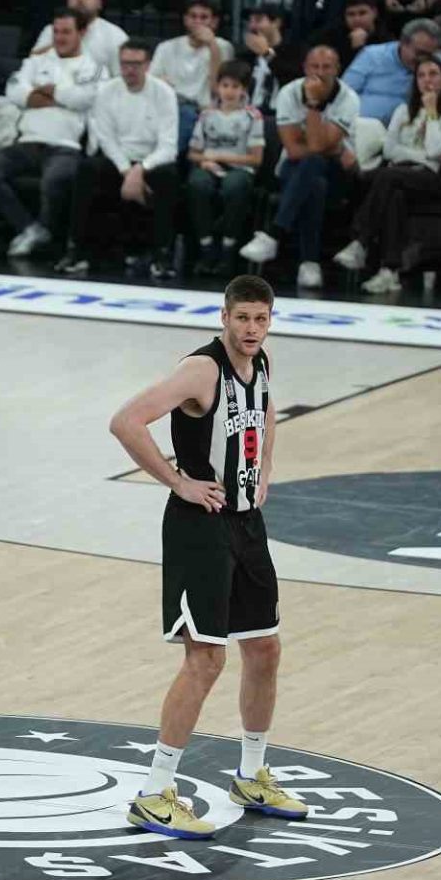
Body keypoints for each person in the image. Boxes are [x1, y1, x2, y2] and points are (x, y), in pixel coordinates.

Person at [108, 274, 307, 842]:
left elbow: (266, 412)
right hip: (200, 527)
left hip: (247, 524)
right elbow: (125, 421)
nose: (251, 329)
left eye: (261, 319)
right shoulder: (201, 370)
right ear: (224, 317)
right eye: (242, 318)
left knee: (264, 648)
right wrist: (178, 481)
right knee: (206, 660)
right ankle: (154, 793)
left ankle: (251, 775)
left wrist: (265, 469)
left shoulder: (261, 363)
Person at [0, 9, 101, 259]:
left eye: (66, 32)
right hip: (27, 142)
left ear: (81, 33)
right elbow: (14, 91)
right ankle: (30, 228)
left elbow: (86, 98)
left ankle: (48, 236)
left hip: (66, 146)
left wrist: (49, 91)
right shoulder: (35, 62)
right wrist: (61, 97)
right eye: (56, 32)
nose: (60, 38)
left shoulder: (94, 67)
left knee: (54, 180)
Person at [334, 53, 441, 292]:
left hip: (431, 178)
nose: (427, 80)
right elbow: (390, 149)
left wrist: (431, 112)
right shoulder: (403, 110)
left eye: (433, 74)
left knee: (384, 177)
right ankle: (389, 271)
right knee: (394, 194)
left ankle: (360, 241)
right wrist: (422, 154)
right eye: (421, 76)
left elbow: (435, 150)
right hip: (399, 175)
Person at [240, 45, 361, 288]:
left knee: (316, 167)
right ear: (305, 68)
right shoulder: (289, 93)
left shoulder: (348, 98)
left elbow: (314, 146)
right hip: (294, 167)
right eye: (314, 66)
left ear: (337, 69)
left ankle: (274, 233)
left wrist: (313, 104)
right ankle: (309, 264)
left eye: (327, 67)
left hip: (337, 173)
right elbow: (295, 149)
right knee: (314, 180)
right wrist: (330, 146)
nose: (320, 72)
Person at [59, 39, 181, 277]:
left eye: (136, 64)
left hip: (152, 161)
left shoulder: (164, 93)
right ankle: (76, 250)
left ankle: (162, 255)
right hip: (118, 160)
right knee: (87, 169)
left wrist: (140, 170)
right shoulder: (107, 91)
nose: (129, 70)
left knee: (168, 176)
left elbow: (168, 146)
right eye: (125, 64)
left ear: (147, 65)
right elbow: (106, 139)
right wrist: (127, 171)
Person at [186, 60, 265, 275]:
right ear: (218, 87)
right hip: (209, 166)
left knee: (234, 186)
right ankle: (206, 246)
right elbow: (193, 153)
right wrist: (204, 161)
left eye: (235, 86)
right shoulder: (206, 115)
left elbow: (256, 158)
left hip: (240, 167)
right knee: (197, 183)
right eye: (225, 85)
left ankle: (228, 249)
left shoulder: (252, 116)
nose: (229, 92)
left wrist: (220, 156)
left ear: (244, 89)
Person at [152, 0, 235, 159]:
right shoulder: (166, 47)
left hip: (203, 110)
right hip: (170, 106)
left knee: (188, 115)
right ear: (185, 19)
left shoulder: (222, 47)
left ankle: (162, 159)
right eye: (193, 16)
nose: (198, 22)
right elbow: (152, 84)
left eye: (204, 17)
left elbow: (217, 89)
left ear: (214, 22)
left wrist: (212, 46)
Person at [342, 16, 441, 124]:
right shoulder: (372, 56)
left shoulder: (437, 67)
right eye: (420, 53)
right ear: (403, 43)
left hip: (407, 129)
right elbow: (343, 93)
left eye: (429, 55)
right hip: (360, 125)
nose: (424, 59)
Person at [30, 0, 128, 79]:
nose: (80, 0)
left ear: (100, 3)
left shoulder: (115, 36)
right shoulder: (51, 30)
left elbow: (121, 81)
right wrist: (60, 43)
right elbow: (32, 65)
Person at [241, 0, 302, 112]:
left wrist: (267, 54)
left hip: (279, 114)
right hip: (248, 114)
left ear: (277, 22)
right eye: (250, 21)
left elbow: (294, 81)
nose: (252, 26)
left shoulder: (294, 51)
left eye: (258, 20)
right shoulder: (246, 56)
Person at [308, 0, 391, 81]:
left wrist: (360, 50)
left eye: (362, 13)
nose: (357, 19)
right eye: (351, 14)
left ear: (374, 13)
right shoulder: (331, 36)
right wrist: (353, 50)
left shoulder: (386, 39)